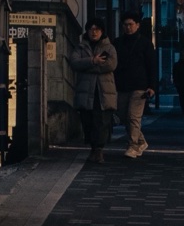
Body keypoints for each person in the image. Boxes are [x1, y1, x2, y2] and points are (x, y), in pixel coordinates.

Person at [67, 18, 117, 164]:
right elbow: (74, 62)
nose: (94, 32)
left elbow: (110, 65)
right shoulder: (81, 47)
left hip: (103, 92)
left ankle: (99, 150)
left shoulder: (109, 48)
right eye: (91, 29)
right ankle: (93, 149)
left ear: (102, 31)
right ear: (87, 31)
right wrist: (93, 61)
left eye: (97, 29)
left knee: (101, 122)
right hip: (86, 92)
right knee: (87, 121)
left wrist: (88, 67)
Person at [113, 9, 157, 158]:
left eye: (131, 24)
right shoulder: (117, 43)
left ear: (137, 25)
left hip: (140, 86)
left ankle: (132, 146)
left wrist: (152, 86)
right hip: (121, 85)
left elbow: (152, 65)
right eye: (125, 25)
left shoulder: (145, 44)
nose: (128, 27)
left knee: (133, 116)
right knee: (123, 116)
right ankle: (141, 141)